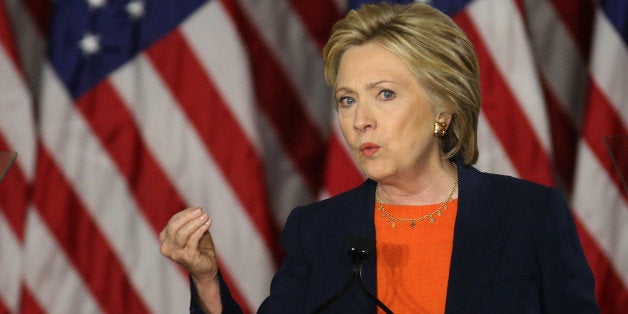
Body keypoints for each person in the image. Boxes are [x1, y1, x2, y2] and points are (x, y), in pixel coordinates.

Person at [159, 2, 599, 313]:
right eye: (347, 100)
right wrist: (206, 281)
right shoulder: (317, 231)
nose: (360, 120)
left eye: (384, 94)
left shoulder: (531, 216)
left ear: (442, 112)